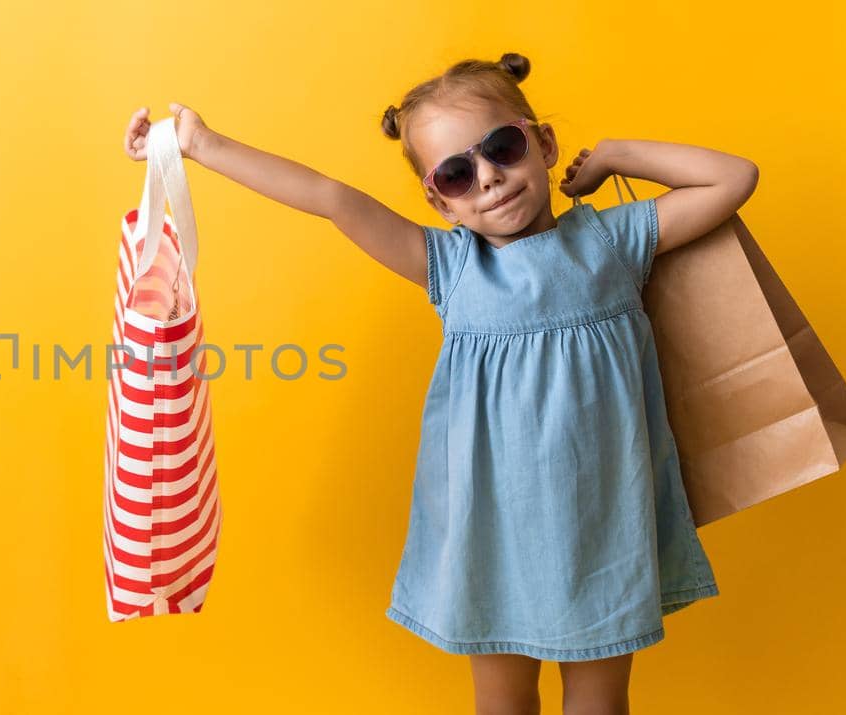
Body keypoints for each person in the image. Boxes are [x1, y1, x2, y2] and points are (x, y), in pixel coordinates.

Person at [122, 51, 759, 715]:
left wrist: (615, 156)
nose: (488, 179)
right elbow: (330, 199)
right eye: (457, 173)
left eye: (504, 148)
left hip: (603, 526)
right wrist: (203, 144)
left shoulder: (609, 242)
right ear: (438, 199)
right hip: (489, 529)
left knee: (599, 703)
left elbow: (734, 178)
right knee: (503, 702)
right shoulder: (451, 268)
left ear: (542, 144)